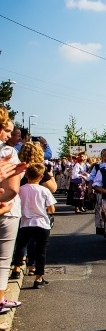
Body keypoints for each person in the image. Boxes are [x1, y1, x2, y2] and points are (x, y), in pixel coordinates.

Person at [10, 164, 56, 289]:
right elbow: (52, 209)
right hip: (41, 223)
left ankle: (16, 269)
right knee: (41, 251)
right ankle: (38, 277)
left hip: (25, 222)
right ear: (41, 177)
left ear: (26, 175)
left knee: (21, 246)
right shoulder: (44, 190)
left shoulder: (21, 189)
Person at [0, 111, 26, 319]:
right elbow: (12, 190)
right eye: (7, 131)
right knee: (2, 258)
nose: (9, 136)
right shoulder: (7, 152)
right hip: (6, 210)